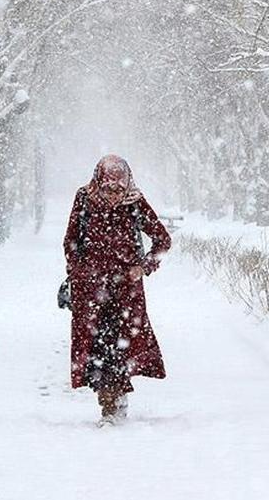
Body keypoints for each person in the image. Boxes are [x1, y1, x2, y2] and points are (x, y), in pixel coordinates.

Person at [63, 154, 172, 425]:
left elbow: (162, 240)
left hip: (126, 292)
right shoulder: (84, 199)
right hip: (91, 291)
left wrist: (143, 267)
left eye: (119, 189)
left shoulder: (134, 203)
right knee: (97, 348)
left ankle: (115, 401)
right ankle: (108, 401)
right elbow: (71, 240)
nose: (113, 195)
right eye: (108, 189)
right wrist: (79, 271)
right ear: (98, 182)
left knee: (120, 346)